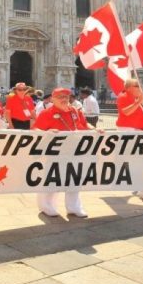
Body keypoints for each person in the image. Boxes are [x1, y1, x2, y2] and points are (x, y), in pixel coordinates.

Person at [33, 88, 92, 218]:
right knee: (53, 179)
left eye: (66, 96)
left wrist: (95, 130)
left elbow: (83, 125)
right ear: (53, 99)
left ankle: (74, 207)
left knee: (75, 179)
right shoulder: (47, 113)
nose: (64, 99)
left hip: (75, 149)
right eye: (60, 97)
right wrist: (46, 132)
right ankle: (46, 206)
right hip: (55, 151)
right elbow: (36, 129)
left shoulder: (74, 111)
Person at [117, 78, 143, 202]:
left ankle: (141, 187)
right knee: (139, 160)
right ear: (128, 88)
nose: (139, 87)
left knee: (141, 160)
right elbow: (126, 112)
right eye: (136, 85)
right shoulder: (124, 96)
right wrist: (139, 101)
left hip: (137, 129)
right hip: (128, 130)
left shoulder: (136, 97)